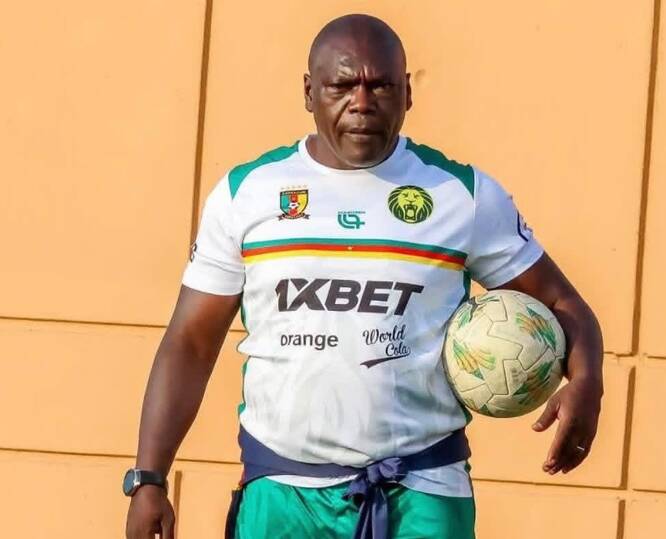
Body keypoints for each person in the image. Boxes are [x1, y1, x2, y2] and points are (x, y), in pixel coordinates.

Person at [124, 13, 603, 539]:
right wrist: (149, 477)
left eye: (381, 86)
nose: (362, 102)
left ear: (407, 93)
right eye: (342, 85)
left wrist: (586, 381)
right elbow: (191, 341)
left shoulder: (460, 195)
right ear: (309, 92)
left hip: (422, 491)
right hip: (283, 495)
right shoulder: (248, 194)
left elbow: (562, 304)